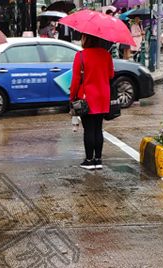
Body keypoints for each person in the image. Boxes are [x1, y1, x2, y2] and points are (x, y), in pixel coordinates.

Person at [69, 34, 114, 170]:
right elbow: (111, 75)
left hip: (86, 97)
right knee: (98, 128)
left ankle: (89, 161)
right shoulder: (106, 55)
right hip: (103, 97)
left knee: (88, 129)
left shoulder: (81, 56)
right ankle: (98, 159)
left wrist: (72, 97)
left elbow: (76, 80)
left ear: (85, 39)